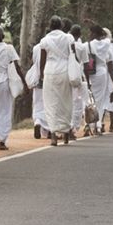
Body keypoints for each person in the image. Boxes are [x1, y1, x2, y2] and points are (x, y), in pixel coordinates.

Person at [0, 25, 27, 149]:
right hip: (4, 82)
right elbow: (17, 67)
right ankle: (2, 141)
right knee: (5, 111)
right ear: (3, 35)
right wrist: (24, 83)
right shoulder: (9, 48)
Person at [38, 16, 76, 146]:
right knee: (66, 102)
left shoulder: (45, 40)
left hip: (50, 72)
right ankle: (65, 134)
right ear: (61, 26)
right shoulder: (68, 38)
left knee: (51, 103)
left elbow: (42, 59)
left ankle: (53, 135)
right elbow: (73, 54)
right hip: (65, 71)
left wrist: (41, 75)